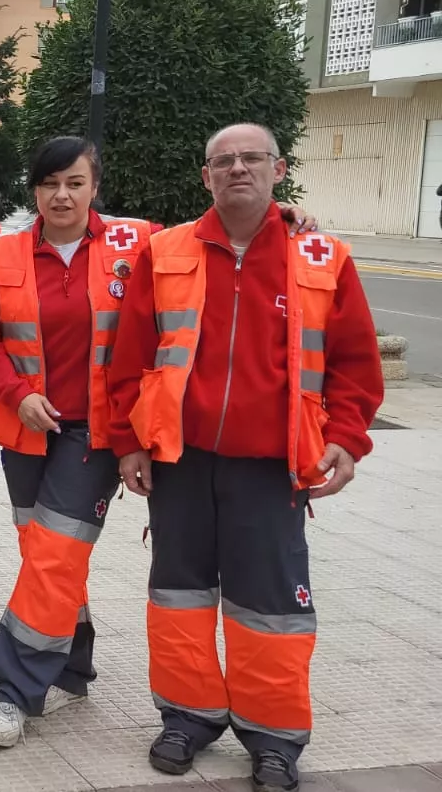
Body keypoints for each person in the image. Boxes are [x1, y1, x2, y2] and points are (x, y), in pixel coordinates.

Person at [0, 136, 322, 748]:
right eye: (50, 184)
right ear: (34, 191)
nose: (62, 195)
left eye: (75, 182)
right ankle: (72, 665)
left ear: (95, 186)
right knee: (47, 557)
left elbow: (218, 235)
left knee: (53, 555)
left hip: (98, 436)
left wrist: (286, 220)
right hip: (27, 429)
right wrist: (15, 391)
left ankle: (15, 691)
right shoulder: (1, 253)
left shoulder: (140, 241)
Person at [110, 123, 383, 792]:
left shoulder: (321, 256)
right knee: (178, 597)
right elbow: (129, 358)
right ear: (205, 176)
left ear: (278, 168)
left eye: (251, 158)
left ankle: (274, 737)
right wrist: (129, 443)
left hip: (272, 467)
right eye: (223, 161)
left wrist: (346, 437)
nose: (237, 168)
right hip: (181, 461)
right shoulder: (164, 251)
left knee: (271, 607)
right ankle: (187, 716)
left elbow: (355, 364)